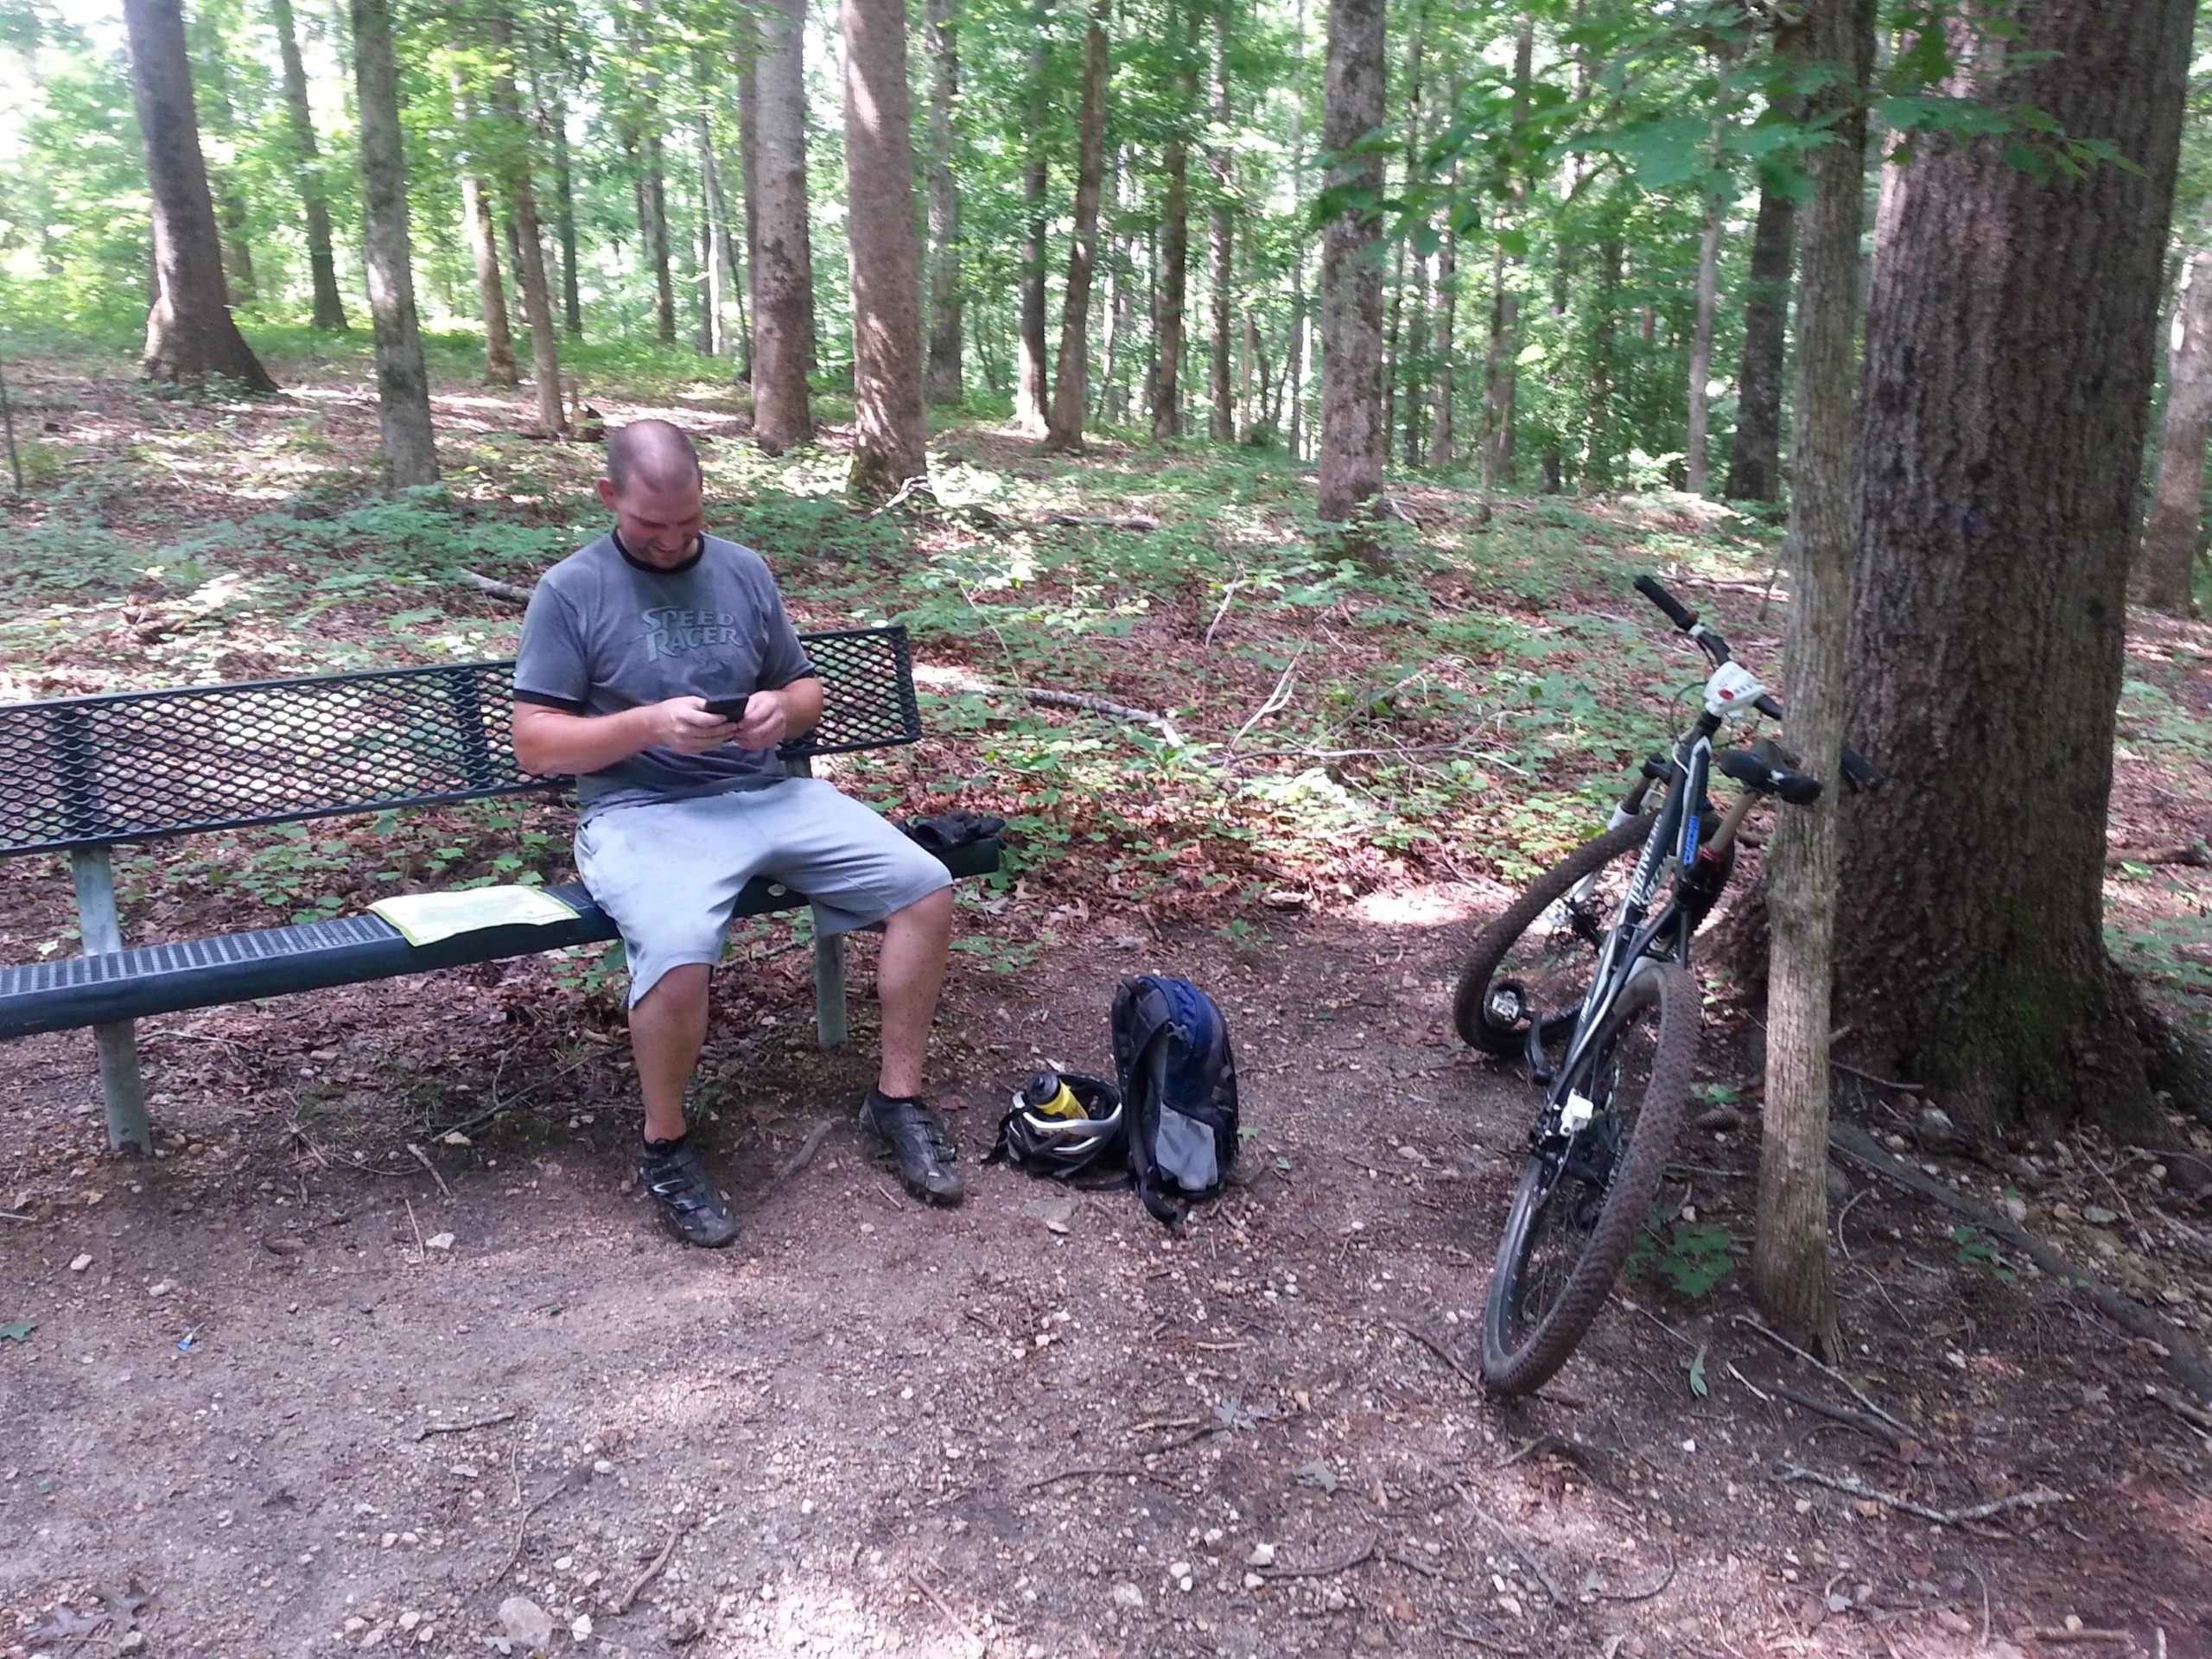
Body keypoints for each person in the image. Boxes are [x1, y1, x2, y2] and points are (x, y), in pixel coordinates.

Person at [510, 420, 962, 1247]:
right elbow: (536, 741)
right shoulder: (571, 591)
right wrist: (646, 724)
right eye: (653, 527)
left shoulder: (742, 569)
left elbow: (803, 688)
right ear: (610, 498)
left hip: (765, 796)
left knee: (926, 890)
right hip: (640, 814)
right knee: (680, 954)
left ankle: (896, 1099)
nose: (675, 541)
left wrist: (779, 711)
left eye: (689, 522)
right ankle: (666, 1143)